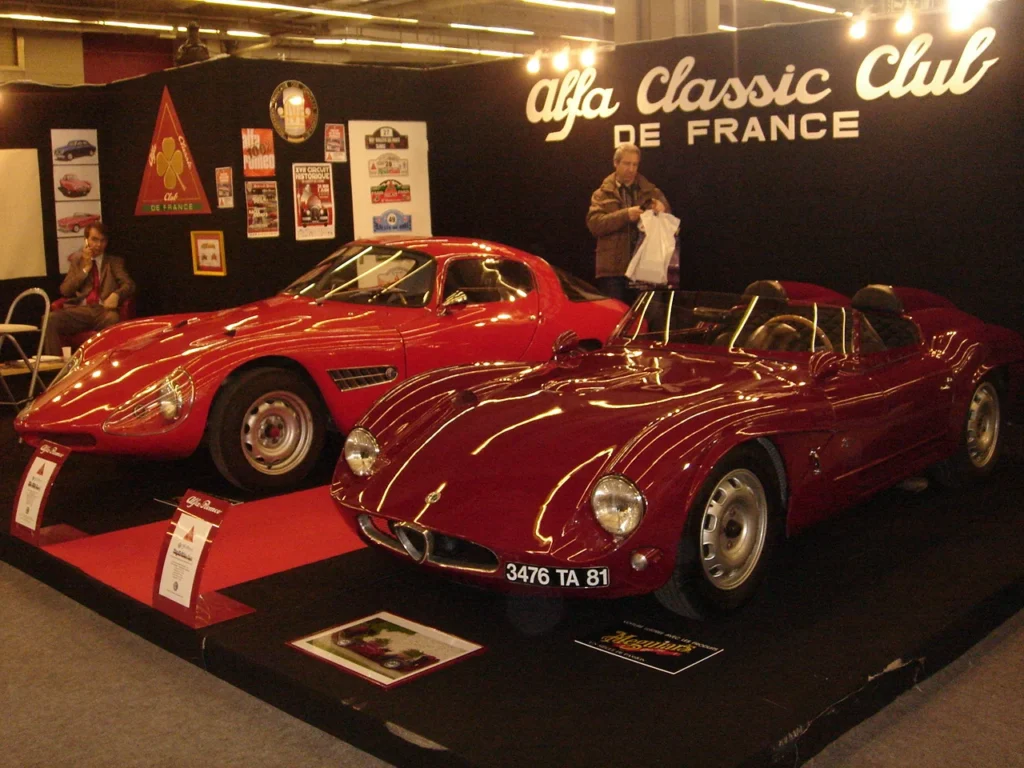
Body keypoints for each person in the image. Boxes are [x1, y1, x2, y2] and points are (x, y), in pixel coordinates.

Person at [586, 143, 671, 304]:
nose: (631, 169)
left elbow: (671, 227)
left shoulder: (652, 192)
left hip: (645, 267)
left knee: (648, 315)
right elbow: (595, 225)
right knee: (616, 315)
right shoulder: (601, 194)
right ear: (615, 163)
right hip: (613, 271)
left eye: (635, 164)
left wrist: (663, 210)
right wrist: (625, 215)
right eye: (627, 164)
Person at [42, 221, 135, 356]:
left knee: (113, 318)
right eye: (94, 240)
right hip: (81, 311)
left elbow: (129, 285)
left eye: (102, 241)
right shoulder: (77, 261)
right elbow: (65, 290)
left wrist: (117, 294)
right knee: (49, 319)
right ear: (86, 241)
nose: (98, 245)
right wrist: (85, 269)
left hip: (103, 311)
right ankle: (54, 365)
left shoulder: (114, 262)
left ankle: (107, 362)